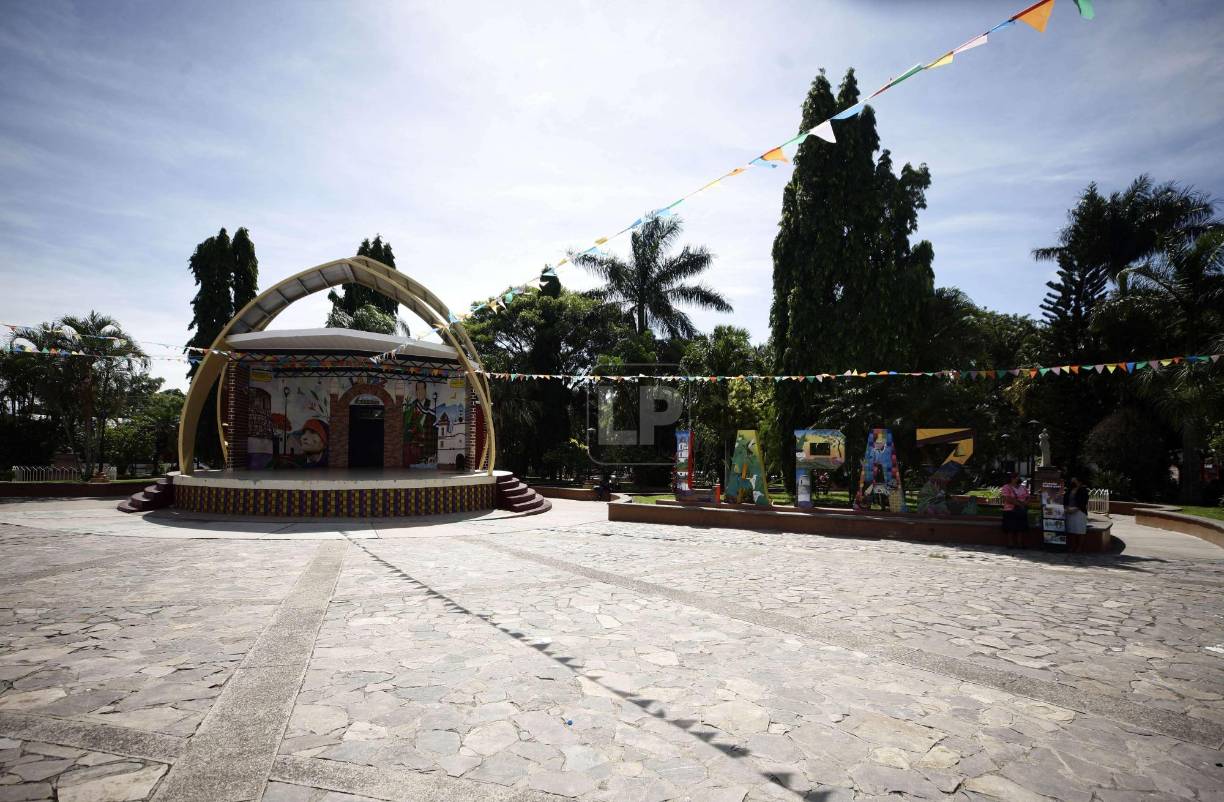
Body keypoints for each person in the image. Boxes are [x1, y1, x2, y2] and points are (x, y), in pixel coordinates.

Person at [1000, 473, 1029, 547]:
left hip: (1021, 510)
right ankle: (1010, 543)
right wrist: (1020, 504)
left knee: (1021, 527)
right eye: (1017, 477)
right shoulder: (1006, 487)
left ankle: (1020, 543)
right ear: (1012, 478)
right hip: (1010, 510)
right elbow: (1007, 498)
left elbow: (1027, 496)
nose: (1019, 479)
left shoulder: (1023, 487)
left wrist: (1025, 503)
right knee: (1010, 528)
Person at [1064, 476, 1089, 549]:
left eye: (1074, 481)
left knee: (1080, 530)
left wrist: (1075, 509)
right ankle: (1072, 546)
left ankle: (1079, 547)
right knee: (1071, 530)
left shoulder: (1083, 490)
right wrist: (1066, 508)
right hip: (1069, 511)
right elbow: (1065, 499)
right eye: (1072, 481)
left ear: (1079, 482)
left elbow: (1083, 502)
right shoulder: (1069, 490)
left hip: (1080, 512)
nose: (1073, 483)